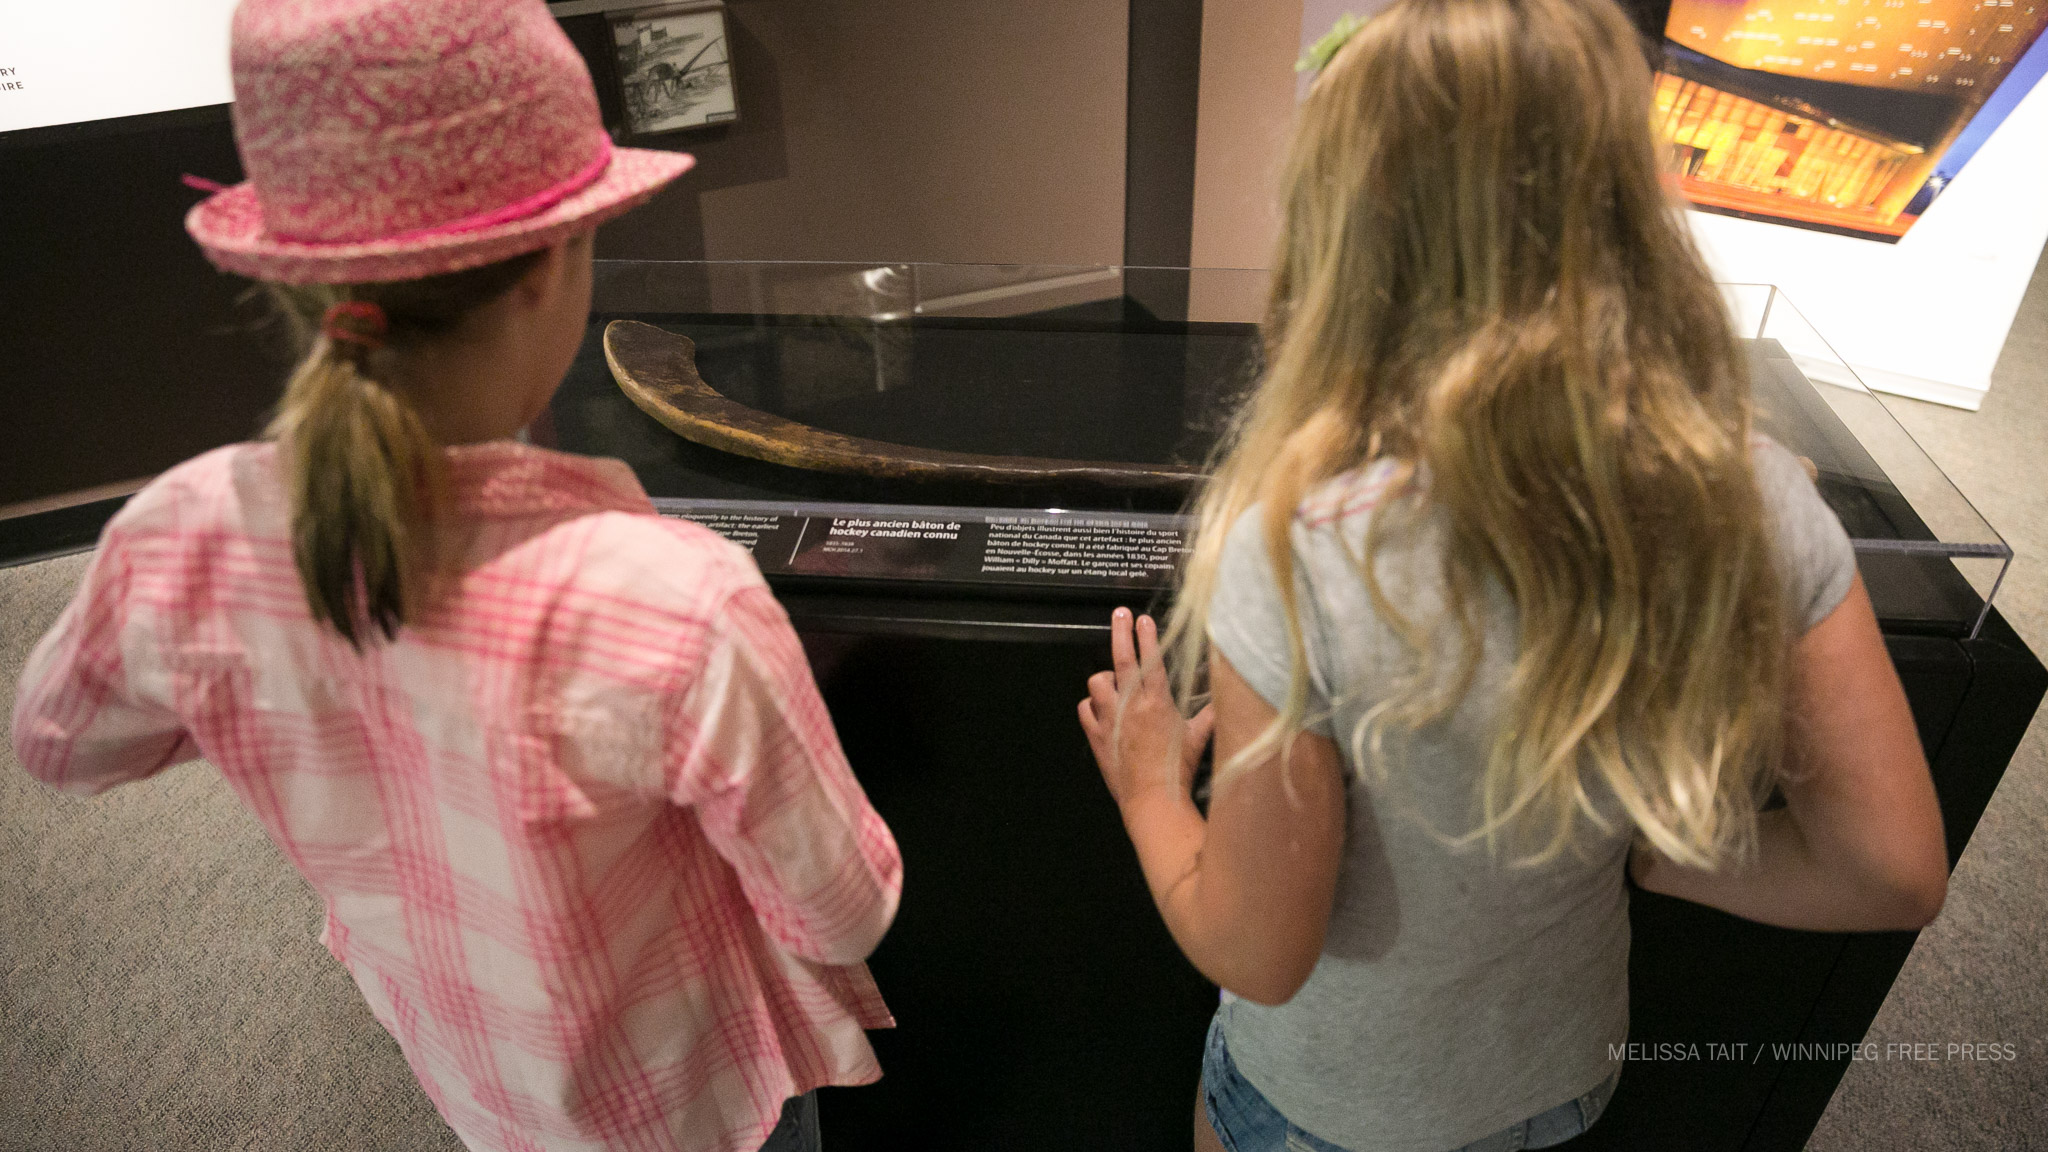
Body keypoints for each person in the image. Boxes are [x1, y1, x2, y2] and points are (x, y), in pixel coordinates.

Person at [11, 2, 900, 1150]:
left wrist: (265, 695)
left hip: (463, 1058)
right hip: (680, 1090)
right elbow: (840, 916)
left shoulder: (178, 531)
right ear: (546, 268)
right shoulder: (682, 602)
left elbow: (63, 746)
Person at [1076, 0, 1949, 1150]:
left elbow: (1258, 953)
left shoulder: (1297, 545)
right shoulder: (1754, 494)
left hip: (1327, 1109)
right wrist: (1660, 860)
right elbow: (1889, 870)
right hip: (1558, 1082)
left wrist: (1148, 785)